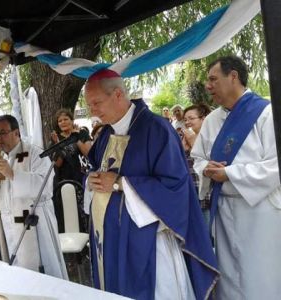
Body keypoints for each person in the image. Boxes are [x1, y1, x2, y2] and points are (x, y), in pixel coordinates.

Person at [85, 69, 218, 299]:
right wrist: (91, 179)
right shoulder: (106, 135)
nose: (92, 112)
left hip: (148, 242)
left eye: (96, 103)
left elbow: (175, 186)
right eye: (89, 105)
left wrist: (120, 183)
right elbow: (95, 169)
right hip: (111, 239)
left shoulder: (156, 129)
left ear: (118, 94)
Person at [191, 56, 281, 300]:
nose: (208, 86)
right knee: (230, 276)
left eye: (213, 79)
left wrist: (230, 173)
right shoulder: (211, 120)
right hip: (224, 209)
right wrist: (207, 169)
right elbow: (197, 158)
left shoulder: (266, 113)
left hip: (259, 212)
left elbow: (275, 166)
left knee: (259, 274)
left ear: (233, 77)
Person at [0, 115, 67, 279]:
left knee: (44, 273)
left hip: (36, 222)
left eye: (2, 133)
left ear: (16, 133)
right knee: (18, 273)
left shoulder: (35, 153)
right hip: (10, 225)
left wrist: (12, 174)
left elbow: (45, 187)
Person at [50, 109, 92, 232]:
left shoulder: (81, 133)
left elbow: (88, 153)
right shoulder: (55, 138)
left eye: (65, 119)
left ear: (72, 120)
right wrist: (58, 145)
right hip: (62, 182)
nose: (63, 122)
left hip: (79, 180)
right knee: (67, 215)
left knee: (82, 213)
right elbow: (58, 163)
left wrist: (76, 137)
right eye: (60, 121)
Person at [181, 103, 212, 224]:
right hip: (189, 194)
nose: (187, 122)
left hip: (206, 197)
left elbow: (211, 164)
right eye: (185, 119)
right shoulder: (182, 138)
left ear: (203, 119)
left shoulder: (211, 138)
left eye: (191, 118)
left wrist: (194, 143)